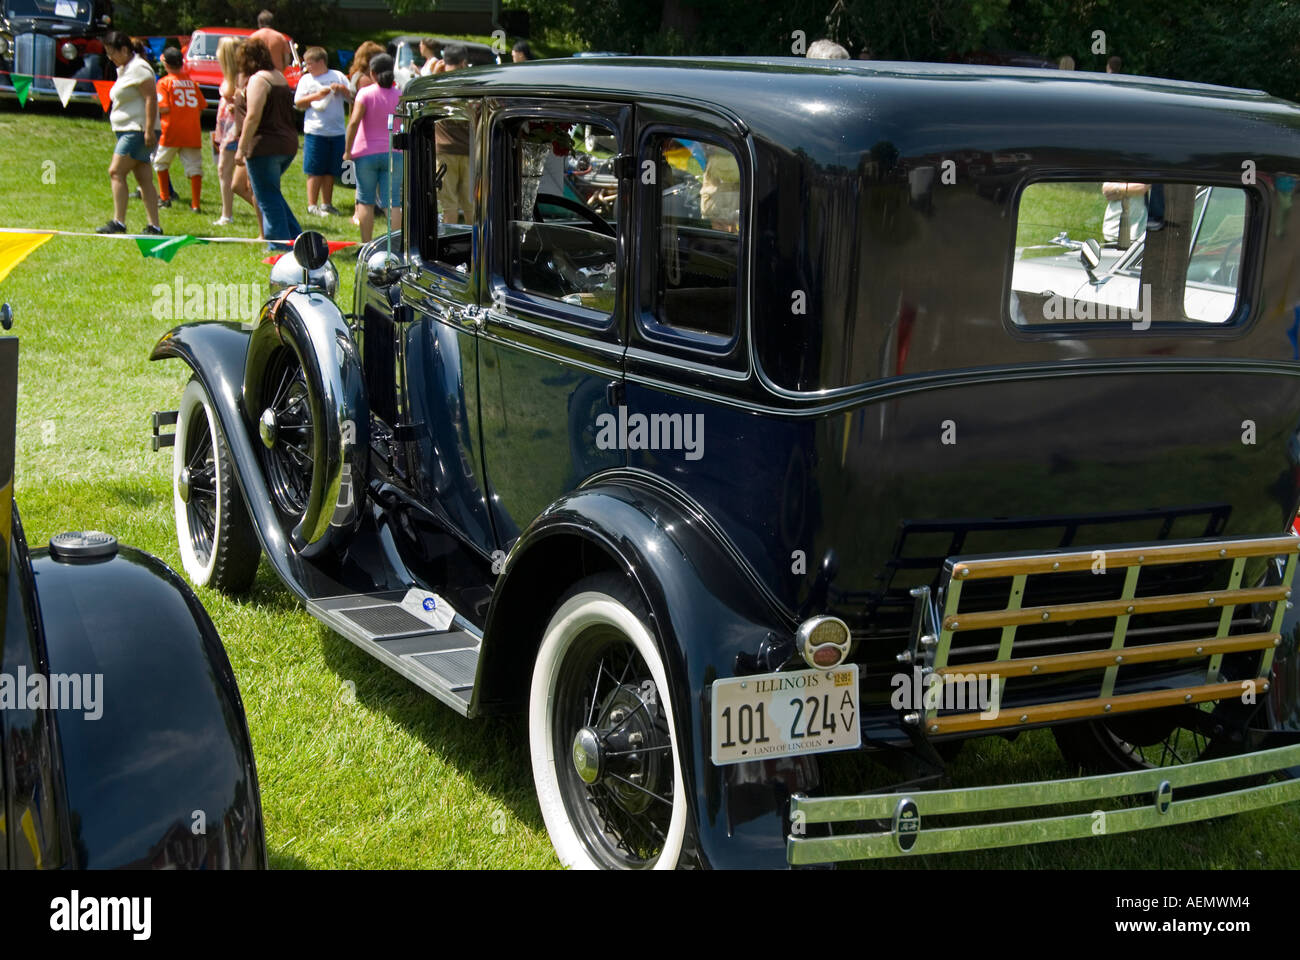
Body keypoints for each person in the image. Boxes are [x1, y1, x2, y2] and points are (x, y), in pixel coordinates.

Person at [237, 38, 301, 246]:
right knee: (271, 193)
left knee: (266, 197)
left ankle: (278, 246)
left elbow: (253, 116)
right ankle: (297, 238)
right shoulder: (279, 77)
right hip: (287, 143)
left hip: (265, 145)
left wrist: (241, 148)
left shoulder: (258, 80)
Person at [97, 31, 162, 235]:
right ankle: (155, 226)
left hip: (138, 130)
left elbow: (151, 99)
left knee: (116, 171)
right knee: (144, 178)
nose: (110, 57)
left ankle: (119, 222)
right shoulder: (125, 69)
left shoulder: (140, 69)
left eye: (112, 53)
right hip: (130, 129)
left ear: (124, 50)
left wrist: (150, 130)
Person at [344, 52, 403, 243]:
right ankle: (396, 245)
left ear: (373, 73)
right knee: (392, 201)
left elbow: (353, 122)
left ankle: (366, 244)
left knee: (365, 200)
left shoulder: (366, 93)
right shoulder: (400, 95)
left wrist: (347, 150)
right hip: (394, 152)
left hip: (366, 153)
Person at [295, 46, 351, 217]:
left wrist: (342, 89)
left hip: (336, 131)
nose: (307, 67)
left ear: (321, 62)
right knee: (314, 169)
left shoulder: (338, 76)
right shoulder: (306, 80)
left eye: (310, 63)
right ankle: (312, 205)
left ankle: (327, 204)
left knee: (331, 170)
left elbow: (352, 97)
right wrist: (317, 95)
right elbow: (298, 103)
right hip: (315, 130)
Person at [154, 47, 207, 213]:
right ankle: (196, 205)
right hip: (191, 130)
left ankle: (164, 198)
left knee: (161, 163)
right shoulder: (191, 82)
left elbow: (163, 108)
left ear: (166, 64)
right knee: (194, 168)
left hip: (171, 130)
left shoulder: (164, 82)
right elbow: (201, 105)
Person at [212, 36, 258, 227]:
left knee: (230, 173)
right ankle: (228, 213)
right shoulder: (231, 75)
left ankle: (228, 214)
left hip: (235, 129)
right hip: (226, 128)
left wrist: (234, 107)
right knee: (227, 172)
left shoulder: (242, 76)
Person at [432, 44, 471, 223]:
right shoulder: (471, 85)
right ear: (463, 63)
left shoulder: (437, 85)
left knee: (448, 205)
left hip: (444, 152)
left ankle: (450, 244)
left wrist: (434, 74)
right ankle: (478, 246)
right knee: (473, 206)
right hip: (470, 152)